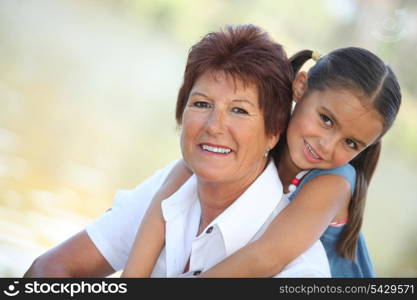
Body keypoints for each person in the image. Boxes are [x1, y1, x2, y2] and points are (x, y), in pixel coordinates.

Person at [24, 24, 331, 278]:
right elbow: (50, 269)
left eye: (239, 110)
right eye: (201, 104)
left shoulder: (300, 270)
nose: (214, 125)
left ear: (274, 132)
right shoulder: (171, 188)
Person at [121, 46, 401, 277]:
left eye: (351, 143)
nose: (327, 145)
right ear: (301, 87)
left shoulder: (334, 182)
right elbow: (174, 187)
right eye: (325, 119)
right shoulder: (263, 136)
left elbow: (265, 258)